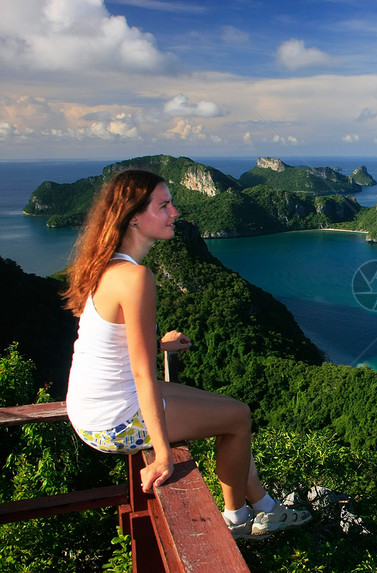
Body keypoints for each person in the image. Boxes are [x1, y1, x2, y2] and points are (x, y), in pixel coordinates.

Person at [63, 169, 311, 538]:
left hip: (90, 406)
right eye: (163, 206)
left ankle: (266, 507)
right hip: (113, 420)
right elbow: (144, 372)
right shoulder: (135, 278)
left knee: (226, 406)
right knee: (239, 417)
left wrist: (160, 345)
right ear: (133, 216)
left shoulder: (105, 264)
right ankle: (238, 520)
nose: (175, 212)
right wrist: (163, 454)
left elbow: (104, 342)